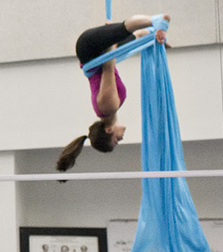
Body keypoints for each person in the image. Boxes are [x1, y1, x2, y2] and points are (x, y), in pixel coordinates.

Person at [56, 14, 170, 171]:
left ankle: (156, 20)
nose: (121, 138)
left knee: (126, 28)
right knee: (136, 35)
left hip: (90, 50)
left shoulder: (108, 107)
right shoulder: (109, 109)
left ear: (108, 130)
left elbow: (108, 64)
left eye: (116, 140)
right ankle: (153, 33)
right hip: (99, 53)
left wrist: (112, 35)